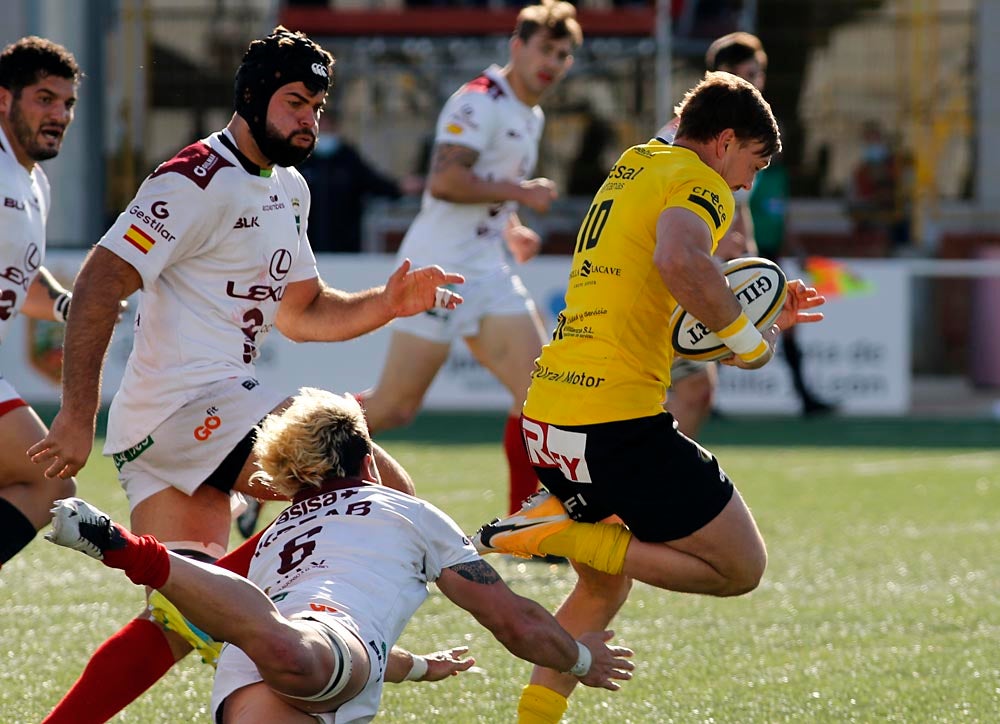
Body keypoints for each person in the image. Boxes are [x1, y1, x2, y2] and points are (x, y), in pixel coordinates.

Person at [27, 26, 464, 723]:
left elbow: (305, 312)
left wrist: (389, 303)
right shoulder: (194, 176)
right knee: (384, 492)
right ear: (254, 98)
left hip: (169, 431)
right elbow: (104, 280)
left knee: (182, 618)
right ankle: (332, 658)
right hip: (189, 406)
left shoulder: (290, 189)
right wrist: (77, 413)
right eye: (296, 102)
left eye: (318, 107)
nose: (309, 120)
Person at [470, 72, 826, 724]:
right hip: (614, 426)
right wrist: (753, 346)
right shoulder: (701, 181)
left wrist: (767, 319)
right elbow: (683, 263)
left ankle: (533, 716)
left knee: (602, 590)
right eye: (753, 162)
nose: (747, 182)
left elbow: (667, 315)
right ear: (723, 142)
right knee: (739, 567)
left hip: (551, 414)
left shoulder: (638, 164)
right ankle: (555, 532)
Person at [46, 387, 634, 721]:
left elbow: (374, 652)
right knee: (302, 653)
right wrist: (580, 660)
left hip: (253, 672)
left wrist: (424, 665)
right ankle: (130, 550)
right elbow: (516, 620)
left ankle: (139, 554)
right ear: (369, 458)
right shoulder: (411, 514)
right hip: (313, 651)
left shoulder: (276, 532)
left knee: (294, 647)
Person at [357, 0, 582, 517]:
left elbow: (487, 191)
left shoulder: (532, 114)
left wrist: (512, 227)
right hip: (437, 266)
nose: (552, 62)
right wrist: (522, 194)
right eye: (545, 49)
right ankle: (287, 443)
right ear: (517, 47)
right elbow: (446, 180)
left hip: (487, 265)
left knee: (542, 393)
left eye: (563, 55)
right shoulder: (478, 101)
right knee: (394, 407)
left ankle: (526, 526)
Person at [658, 31, 768, 437]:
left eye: (758, 74)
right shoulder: (682, 140)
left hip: (695, 278)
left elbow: (738, 214)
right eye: (745, 75)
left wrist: (747, 264)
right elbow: (669, 225)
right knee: (688, 389)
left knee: (695, 390)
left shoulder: (735, 141)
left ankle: (647, 485)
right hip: (668, 284)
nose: (754, 84)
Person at [0, 36, 81, 569]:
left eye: (68, 103)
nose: (60, 114)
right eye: (45, 99)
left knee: (48, 481)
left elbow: (21, 278)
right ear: (3, 100)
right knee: (48, 478)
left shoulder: (36, 184)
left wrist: (67, 307)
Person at [297, 110, 424, 253]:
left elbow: (374, 183)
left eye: (329, 126)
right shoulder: (301, 160)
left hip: (346, 248)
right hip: (307, 246)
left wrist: (399, 187)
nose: (325, 130)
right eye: (322, 126)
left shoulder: (348, 158)